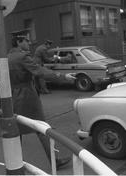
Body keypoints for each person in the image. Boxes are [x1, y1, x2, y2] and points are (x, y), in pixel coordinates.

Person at [7, 35, 75, 170]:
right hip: (27, 95)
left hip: (12, 96)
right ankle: (55, 161)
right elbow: (39, 71)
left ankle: (15, 161)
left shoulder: (8, 57)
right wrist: (62, 76)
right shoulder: (22, 57)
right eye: (26, 41)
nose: (29, 43)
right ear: (19, 42)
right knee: (41, 127)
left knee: (16, 129)